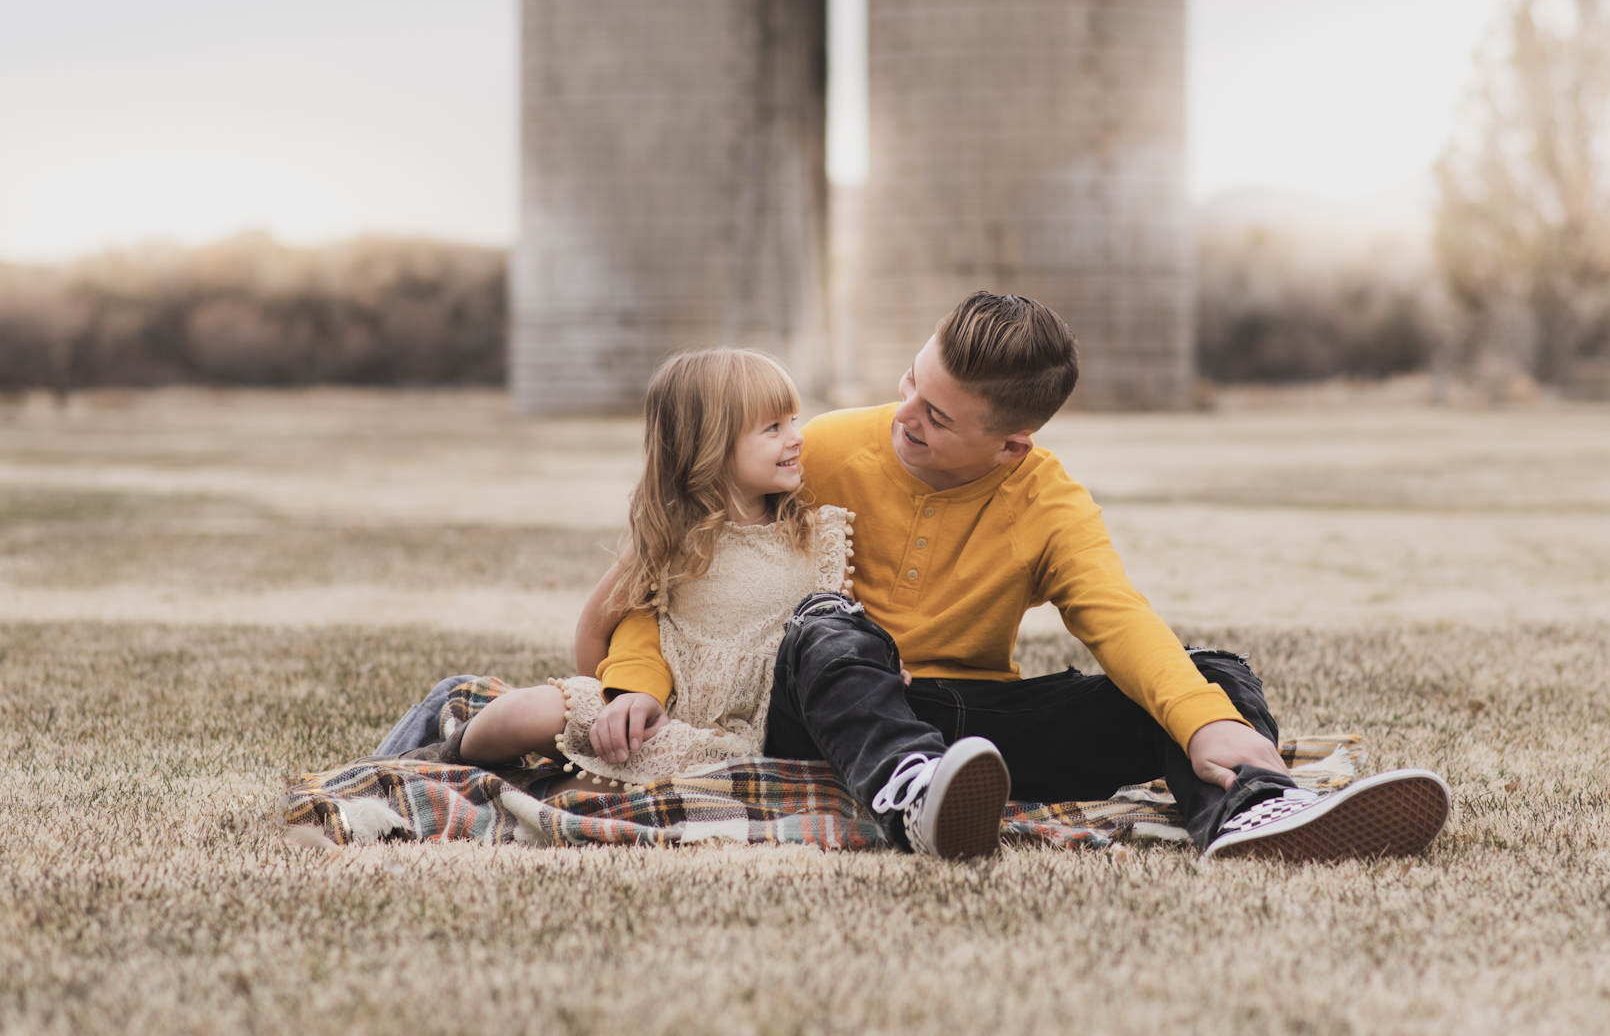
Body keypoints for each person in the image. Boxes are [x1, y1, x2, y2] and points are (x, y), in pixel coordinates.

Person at [589, 291, 1451, 862]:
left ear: (1011, 444)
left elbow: (1120, 621)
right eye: (911, 384)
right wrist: (630, 678)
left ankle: (1253, 810)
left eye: (935, 416)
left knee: (1212, 676)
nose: (905, 416)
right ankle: (907, 791)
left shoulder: (1048, 500)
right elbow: (665, 590)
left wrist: (1200, 721)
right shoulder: (811, 451)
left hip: (978, 726)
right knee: (825, 618)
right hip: (831, 709)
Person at [381, 347, 858, 789]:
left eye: (793, 421)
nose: (797, 438)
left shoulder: (817, 538)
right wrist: (621, 703)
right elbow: (596, 628)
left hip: (736, 748)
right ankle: (441, 757)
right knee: (526, 712)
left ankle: (525, 781)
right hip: (652, 726)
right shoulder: (676, 540)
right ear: (708, 446)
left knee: (600, 787)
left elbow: (842, 631)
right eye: (773, 428)